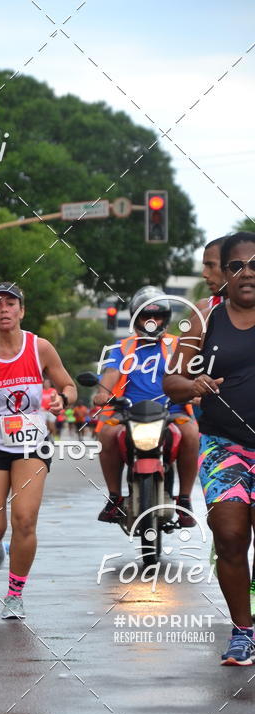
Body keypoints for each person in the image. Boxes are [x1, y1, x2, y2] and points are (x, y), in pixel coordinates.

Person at [0, 276, 77, 620]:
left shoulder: (40, 348)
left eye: (10, 303)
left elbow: (67, 383)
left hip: (30, 443)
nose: (4, 309)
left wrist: (61, 398)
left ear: (21, 310)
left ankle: (15, 594)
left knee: (25, 519)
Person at [163, 232, 255, 665]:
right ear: (225, 273)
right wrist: (193, 383)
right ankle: (242, 632)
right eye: (237, 266)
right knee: (231, 535)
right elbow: (171, 379)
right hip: (224, 444)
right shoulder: (200, 319)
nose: (247, 273)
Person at [94, 286, 199, 528]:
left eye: (157, 316)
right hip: (128, 411)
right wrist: (102, 393)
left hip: (173, 410)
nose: (151, 321)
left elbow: (191, 375)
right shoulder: (123, 347)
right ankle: (114, 498)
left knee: (192, 434)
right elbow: (111, 374)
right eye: (145, 316)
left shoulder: (178, 345)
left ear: (166, 318)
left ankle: (184, 501)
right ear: (135, 317)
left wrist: (195, 391)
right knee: (106, 433)